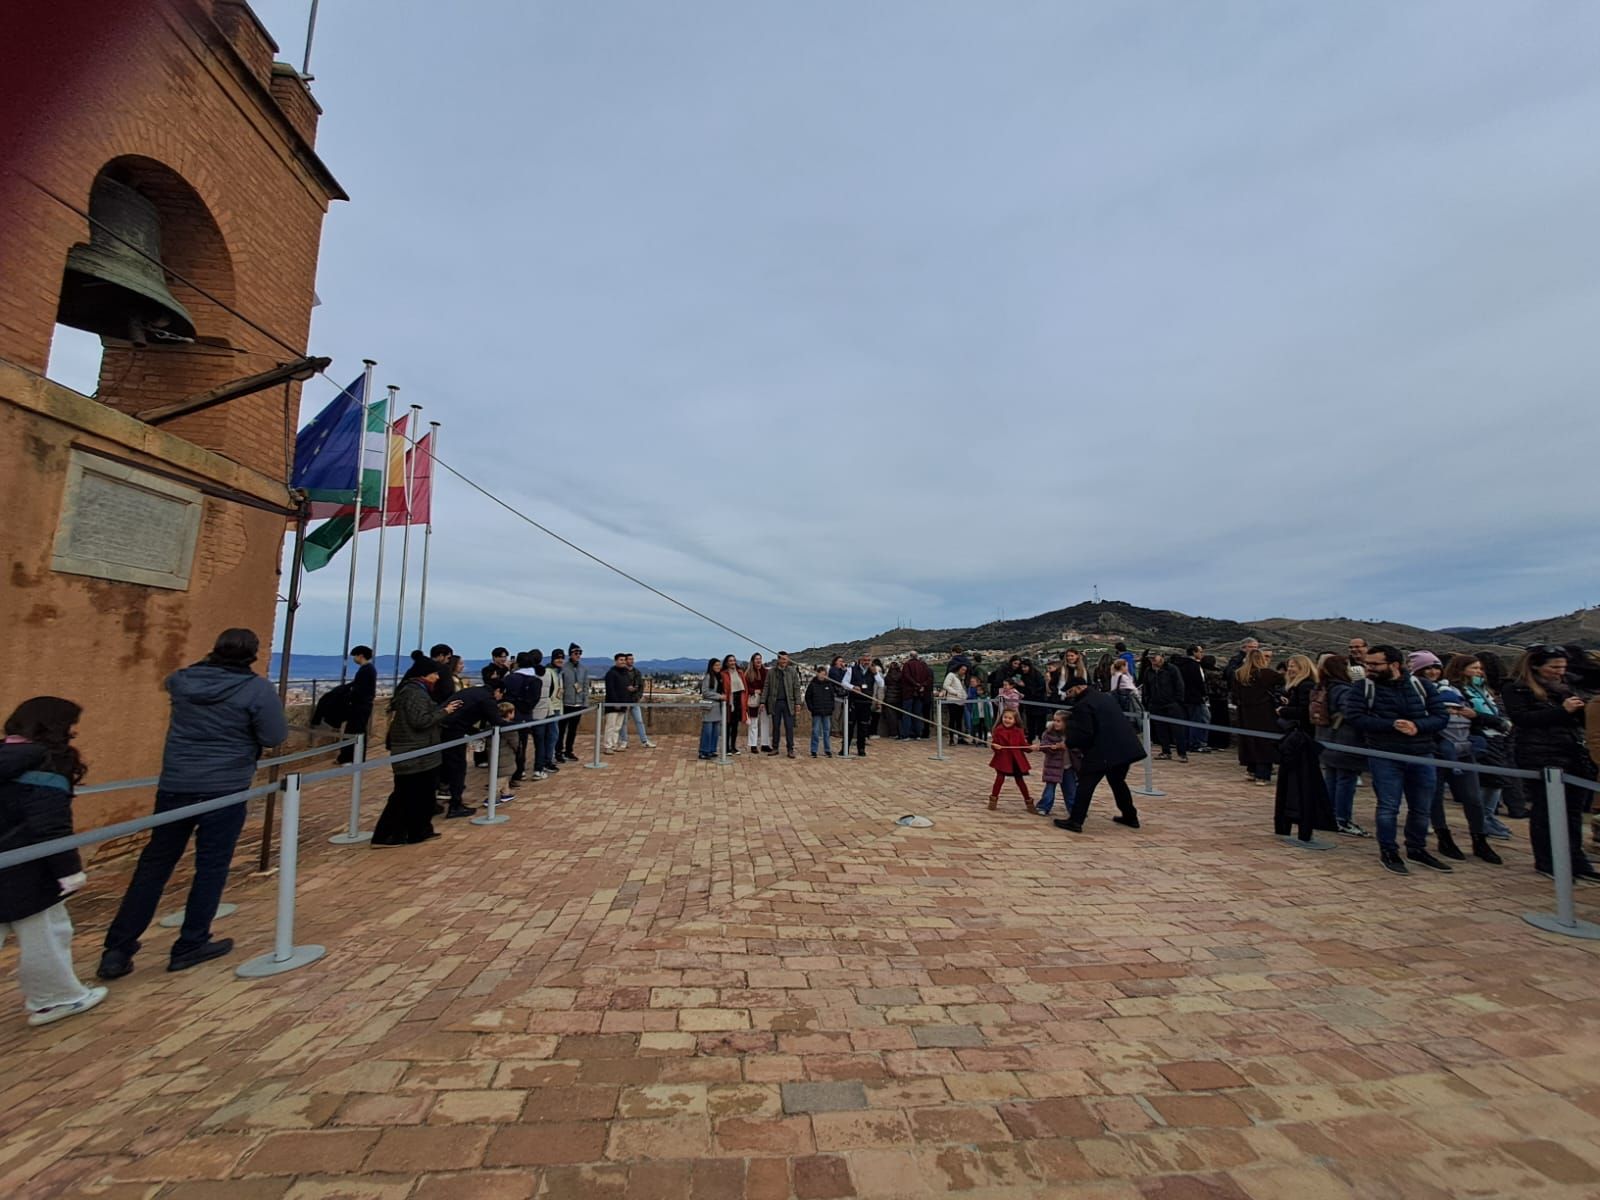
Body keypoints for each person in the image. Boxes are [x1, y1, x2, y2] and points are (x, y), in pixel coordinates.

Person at [98, 629, 288, 980]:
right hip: (225, 786)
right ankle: (190, 943)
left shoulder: (182, 681)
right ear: (252, 654)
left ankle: (117, 949)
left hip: (176, 784)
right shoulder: (255, 689)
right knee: (211, 867)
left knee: (153, 866)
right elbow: (274, 736)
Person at [1, 697, 107, 1026]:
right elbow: (50, 828)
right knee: (46, 935)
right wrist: (70, 872)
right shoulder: (44, 769)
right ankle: (55, 999)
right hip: (27, 870)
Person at [1342, 644, 1451, 875]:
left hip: (1422, 753)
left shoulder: (1421, 686)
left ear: (1394, 665)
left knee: (1421, 807)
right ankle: (1389, 850)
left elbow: (1441, 716)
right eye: (1367, 664)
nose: (1368, 668)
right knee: (1388, 806)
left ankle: (1417, 848)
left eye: (1374, 664)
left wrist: (1417, 726)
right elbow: (1355, 717)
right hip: (1385, 754)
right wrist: (1391, 725)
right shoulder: (1363, 688)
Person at [1502, 646, 1598, 881]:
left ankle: (1575, 859)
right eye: (1553, 667)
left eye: (1562, 667)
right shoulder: (1515, 688)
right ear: (1535, 665)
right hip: (1539, 754)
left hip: (1572, 751)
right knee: (1545, 811)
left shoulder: (1566, 687)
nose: (1559, 672)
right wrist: (1562, 711)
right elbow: (1523, 719)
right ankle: (1546, 860)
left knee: (1572, 811)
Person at [1410, 652, 1498, 865]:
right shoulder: (1413, 691)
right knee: (1435, 797)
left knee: (1473, 797)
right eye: (1426, 669)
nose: (1432, 672)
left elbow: (1479, 716)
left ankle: (1479, 839)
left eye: (1436, 668)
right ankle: (1444, 837)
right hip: (1434, 748)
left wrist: (1473, 716)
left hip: (1463, 746)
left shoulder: (1456, 690)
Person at [371, 653, 461, 846]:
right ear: (424, 675)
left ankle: (418, 830)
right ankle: (388, 835)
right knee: (405, 795)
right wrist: (444, 712)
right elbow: (420, 721)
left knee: (421, 794)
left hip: (422, 751)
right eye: (434, 674)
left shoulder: (414, 691)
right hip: (416, 752)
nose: (437, 678)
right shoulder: (414, 694)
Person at [1053, 683, 1146, 833]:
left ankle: (1076, 821)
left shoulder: (1083, 705)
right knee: (1117, 782)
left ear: (1079, 688)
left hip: (1103, 751)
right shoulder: (1104, 697)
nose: (1069, 696)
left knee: (1085, 784)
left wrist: (1069, 743)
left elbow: (1085, 732)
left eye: (1070, 691)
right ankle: (1130, 816)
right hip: (1124, 747)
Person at [1453, 653, 1514, 839]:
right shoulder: (1458, 690)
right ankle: (1483, 818)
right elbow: (1468, 714)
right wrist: (1495, 721)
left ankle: (1488, 815)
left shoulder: (1481, 689)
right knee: (1490, 779)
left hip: (1496, 736)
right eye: (1474, 668)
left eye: (1480, 668)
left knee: (1497, 780)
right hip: (1480, 737)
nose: (1478, 672)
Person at [1313, 655, 1368, 837]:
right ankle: (1342, 819)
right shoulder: (1344, 690)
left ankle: (1329, 815)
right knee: (1346, 781)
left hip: (1325, 739)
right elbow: (1351, 714)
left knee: (1331, 779)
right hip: (1345, 741)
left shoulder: (1321, 687)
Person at [439, 677, 505, 818]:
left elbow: (463, 714)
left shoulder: (473, 691)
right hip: (451, 732)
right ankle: (455, 805)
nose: (500, 698)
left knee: (441, 767)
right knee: (457, 767)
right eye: (501, 695)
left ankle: (433, 803)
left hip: (441, 728)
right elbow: (497, 722)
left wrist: (474, 732)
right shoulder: (487, 699)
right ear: (498, 691)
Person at [1231, 649, 1282, 784]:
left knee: (1249, 741)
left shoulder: (1239, 674)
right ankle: (1262, 774)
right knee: (1265, 743)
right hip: (1264, 713)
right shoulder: (1267, 674)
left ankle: (1251, 770)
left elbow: (1234, 697)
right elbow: (1284, 682)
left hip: (1245, 714)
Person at [504, 651, 543, 785]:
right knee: (521, 744)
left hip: (509, 715)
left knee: (507, 746)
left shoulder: (510, 678)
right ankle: (519, 772)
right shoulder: (536, 680)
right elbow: (534, 700)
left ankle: (510, 772)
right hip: (526, 716)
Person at [1142, 652, 1187, 761]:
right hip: (1156, 704)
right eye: (1150, 658)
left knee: (1178, 729)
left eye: (1154, 658)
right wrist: (1148, 701)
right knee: (1161, 729)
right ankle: (1166, 751)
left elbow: (1179, 685)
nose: (1152, 660)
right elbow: (1146, 687)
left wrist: (1177, 701)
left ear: (1161, 657)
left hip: (1172, 704)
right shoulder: (1149, 671)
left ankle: (1182, 754)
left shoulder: (1172, 669)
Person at [986, 708, 1034, 811]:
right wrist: (995, 746)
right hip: (1003, 759)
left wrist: (1030, 748)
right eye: (1005, 717)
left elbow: (1023, 745)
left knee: (1020, 781)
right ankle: (993, 800)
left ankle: (1028, 801)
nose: (1007, 720)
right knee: (999, 779)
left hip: (1016, 760)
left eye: (1010, 718)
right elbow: (994, 743)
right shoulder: (998, 730)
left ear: (1015, 720)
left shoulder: (1019, 731)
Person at [337, 644, 378, 765]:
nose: (354, 659)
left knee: (353, 732)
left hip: (359, 706)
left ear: (360, 656)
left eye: (354, 656)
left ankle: (350, 758)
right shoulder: (369, 669)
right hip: (364, 706)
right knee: (358, 731)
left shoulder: (365, 670)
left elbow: (359, 690)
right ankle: (356, 758)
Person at [1034, 709, 1074, 818]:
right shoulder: (1048, 733)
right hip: (1053, 767)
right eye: (1054, 720)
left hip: (1068, 767)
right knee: (1049, 788)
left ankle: (1074, 810)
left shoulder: (1072, 735)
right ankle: (1043, 807)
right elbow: (1044, 746)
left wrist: (1066, 746)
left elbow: (1078, 749)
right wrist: (1053, 748)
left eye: (1058, 721)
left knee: (1071, 790)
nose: (1055, 723)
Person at [765, 651, 803, 758]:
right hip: (775, 703)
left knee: (789, 727)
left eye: (786, 659)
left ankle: (790, 749)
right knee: (776, 726)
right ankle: (775, 748)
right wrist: (763, 701)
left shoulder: (792, 672)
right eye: (782, 659)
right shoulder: (772, 672)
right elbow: (766, 687)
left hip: (788, 703)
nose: (784, 661)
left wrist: (798, 702)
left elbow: (796, 687)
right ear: (778, 659)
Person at [557, 644, 591, 763]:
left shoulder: (583, 669)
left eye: (580, 653)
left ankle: (569, 750)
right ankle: (558, 751)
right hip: (566, 703)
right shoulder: (563, 668)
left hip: (578, 703)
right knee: (561, 729)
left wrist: (585, 701)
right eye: (576, 653)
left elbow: (586, 686)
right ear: (570, 654)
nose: (578, 655)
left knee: (573, 730)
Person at [532, 649, 564, 774]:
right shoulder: (549, 672)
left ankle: (547, 760)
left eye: (562, 658)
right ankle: (546, 761)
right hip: (549, 708)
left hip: (555, 707)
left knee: (552, 736)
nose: (560, 660)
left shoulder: (558, 672)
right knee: (550, 736)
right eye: (557, 658)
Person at [616, 652, 654, 750]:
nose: (631, 661)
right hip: (624, 701)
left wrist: (638, 697)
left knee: (639, 721)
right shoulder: (621, 673)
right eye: (629, 659)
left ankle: (644, 741)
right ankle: (624, 741)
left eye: (632, 659)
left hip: (634, 701)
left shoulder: (637, 672)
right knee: (623, 722)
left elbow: (640, 687)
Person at [1174, 646, 1209, 754]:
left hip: (1181, 697)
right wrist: (1204, 694)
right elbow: (1200, 682)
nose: (1202, 654)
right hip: (1195, 697)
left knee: (1185, 721)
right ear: (1194, 652)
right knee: (1201, 719)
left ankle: (1184, 743)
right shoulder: (1195, 666)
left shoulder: (1177, 665)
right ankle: (1197, 744)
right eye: (1200, 652)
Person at [840, 654, 874, 756]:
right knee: (849, 726)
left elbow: (881, 684)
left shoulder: (872, 672)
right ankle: (845, 748)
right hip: (854, 703)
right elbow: (844, 683)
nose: (866, 662)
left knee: (863, 727)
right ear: (860, 660)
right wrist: (853, 687)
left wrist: (876, 674)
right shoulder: (851, 670)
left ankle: (861, 749)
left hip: (866, 703)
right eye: (865, 660)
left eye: (868, 660)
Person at [898, 651, 933, 740]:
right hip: (920, 693)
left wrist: (916, 684)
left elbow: (906, 676)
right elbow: (929, 678)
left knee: (907, 714)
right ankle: (918, 734)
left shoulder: (907, 665)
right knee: (917, 714)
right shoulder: (923, 665)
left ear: (910, 656)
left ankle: (906, 734)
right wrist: (922, 685)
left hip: (909, 693)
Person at [1202, 654, 1232, 750]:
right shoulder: (1216, 674)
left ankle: (1213, 742)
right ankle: (1221, 743)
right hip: (1220, 699)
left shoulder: (1203, 672)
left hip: (1210, 699)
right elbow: (1224, 686)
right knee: (1221, 721)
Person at [602, 653, 630, 753]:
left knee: (618, 726)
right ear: (616, 661)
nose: (623, 662)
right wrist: (615, 702)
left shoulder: (625, 673)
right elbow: (610, 689)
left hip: (623, 704)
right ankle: (608, 746)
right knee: (610, 726)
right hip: (612, 704)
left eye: (624, 660)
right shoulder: (611, 673)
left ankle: (614, 744)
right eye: (620, 660)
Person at [805, 665, 835, 758]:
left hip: (827, 712)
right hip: (817, 712)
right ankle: (814, 750)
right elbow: (808, 697)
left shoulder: (829, 685)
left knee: (826, 732)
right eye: (821, 674)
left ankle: (827, 750)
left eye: (824, 674)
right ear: (817, 674)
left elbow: (832, 698)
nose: (822, 676)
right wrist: (811, 708)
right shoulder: (812, 685)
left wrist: (831, 708)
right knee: (816, 731)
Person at [699, 659, 726, 760]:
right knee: (707, 731)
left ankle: (711, 750)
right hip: (710, 708)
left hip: (718, 708)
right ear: (712, 666)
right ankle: (703, 751)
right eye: (716, 665)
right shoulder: (708, 677)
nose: (718, 667)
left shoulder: (719, 677)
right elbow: (705, 692)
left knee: (715, 731)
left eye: (719, 665)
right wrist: (719, 696)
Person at [744, 653, 770, 753]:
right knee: (753, 723)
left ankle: (765, 744)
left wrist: (763, 692)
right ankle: (753, 745)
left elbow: (768, 685)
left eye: (760, 659)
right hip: (753, 699)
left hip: (764, 699)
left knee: (765, 721)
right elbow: (746, 687)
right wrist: (754, 691)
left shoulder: (766, 672)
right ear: (753, 661)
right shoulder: (748, 673)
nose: (758, 661)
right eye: (756, 659)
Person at [1017, 660, 1048, 740]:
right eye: (1022, 667)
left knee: (1041, 723)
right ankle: (1030, 739)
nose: (1023, 669)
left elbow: (1040, 689)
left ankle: (1042, 740)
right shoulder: (1022, 676)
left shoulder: (1037, 675)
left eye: (1025, 667)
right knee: (1030, 722)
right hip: (1029, 703)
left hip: (1039, 702)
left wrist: (1025, 686)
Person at [723, 654, 747, 754]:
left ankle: (733, 747)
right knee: (727, 725)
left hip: (738, 700)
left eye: (734, 660)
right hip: (729, 702)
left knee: (735, 726)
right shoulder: (723, 674)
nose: (732, 662)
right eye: (730, 661)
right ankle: (726, 748)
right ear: (727, 662)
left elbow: (744, 687)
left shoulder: (740, 672)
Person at [942, 663, 969, 747]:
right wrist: (955, 693)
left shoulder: (962, 678)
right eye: (963, 669)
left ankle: (960, 737)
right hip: (953, 700)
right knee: (952, 719)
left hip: (961, 701)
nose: (964, 672)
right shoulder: (951, 675)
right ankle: (951, 738)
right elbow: (946, 685)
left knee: (959, 720)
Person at [969, 676, 993, 744]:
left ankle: (985, 740)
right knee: (979, 728)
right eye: (978, 690)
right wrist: (973, 714)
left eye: (980, 690)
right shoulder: (977, 698)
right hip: (978, 715)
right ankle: (979, 740)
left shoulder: (987, 698)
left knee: (985, 728)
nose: (979, 692)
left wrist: (991, 714)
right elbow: (974, 708)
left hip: (985, 715)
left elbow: (990, 706)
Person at [870, 658, 887, 736]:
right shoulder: (880, 674)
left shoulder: (876, 674)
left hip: (872, 698)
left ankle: (869, 733)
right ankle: (873, 733)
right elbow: (881, 689)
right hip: (876, 699)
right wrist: (880, 701)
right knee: (875, 718)